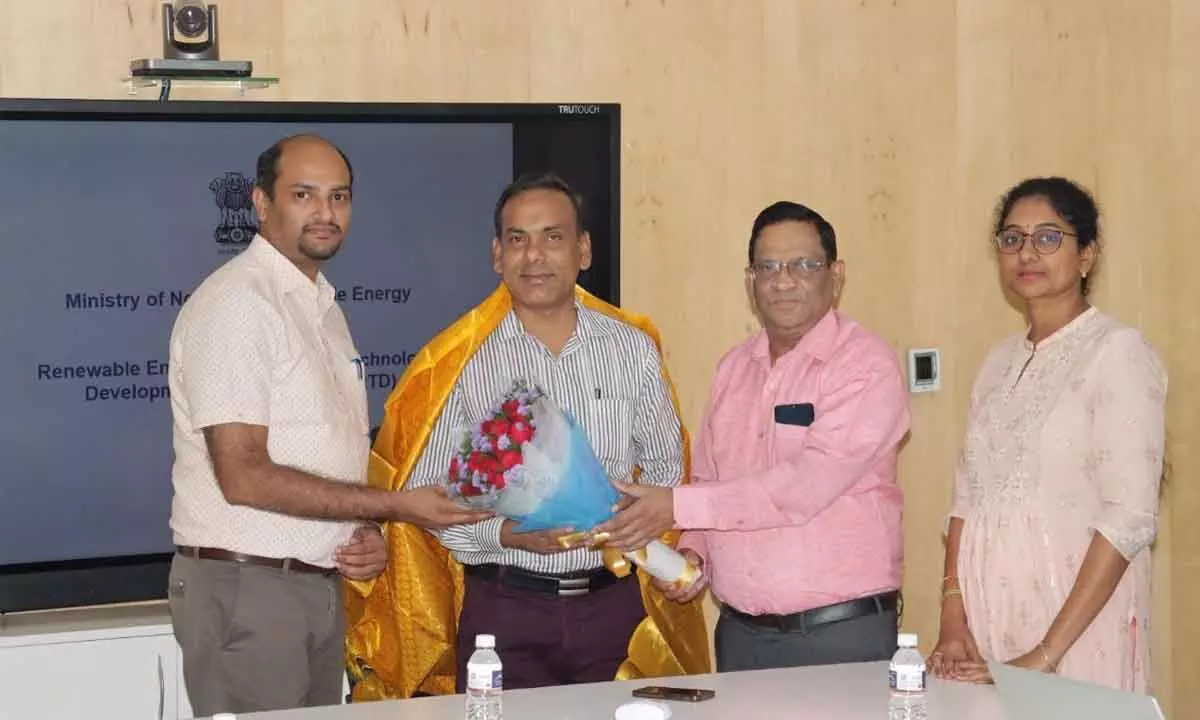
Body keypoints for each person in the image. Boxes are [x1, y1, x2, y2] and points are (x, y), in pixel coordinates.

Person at [343, 172, 710, 699]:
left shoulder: (633, 349)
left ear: (583, 250)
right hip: (504, 613)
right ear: (497, 255)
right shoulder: (461, 360)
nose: (534, 255)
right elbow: (431, 500)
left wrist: (640, 531)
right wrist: (505, 536)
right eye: (518, 239)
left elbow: (666, 474)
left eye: (552, 237)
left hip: (615, 609)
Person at [167, 134, 488, 716]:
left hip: (312, 586)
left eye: (338, 196)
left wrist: (362, 527)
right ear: (261, 203)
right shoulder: (241, 304)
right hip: (252, 593)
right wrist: (396, 505)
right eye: (304, 195)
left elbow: (322, 455)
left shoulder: (320, 305)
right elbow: (242, 476)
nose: (325, 213)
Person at [595, 201, 911, 672]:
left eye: (804, 265)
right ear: (751, 280)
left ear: (836, 275)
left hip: (840, 639)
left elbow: (802, 487)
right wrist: (691, 554)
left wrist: (676, 505)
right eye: (768, 267)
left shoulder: (865, 367)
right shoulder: (733, 368)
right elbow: (707, 478)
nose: (784, 281)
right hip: (742, 637)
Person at [928, 177, 1167, 692]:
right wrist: (953, 621)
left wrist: (1043, 656)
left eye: (1049, 237)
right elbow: (964, 501)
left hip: (1076, 634)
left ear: (1087, 255)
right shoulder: (996, 364)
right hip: (989, 629)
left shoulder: (1118, 353)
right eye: (1012, 238)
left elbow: (1129, 518)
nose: (1027, 252)